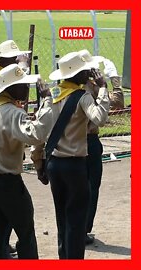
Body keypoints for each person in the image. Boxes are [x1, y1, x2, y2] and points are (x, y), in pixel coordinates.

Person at [33, 50, 109, 259]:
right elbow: (100, 118)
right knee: (76, 220)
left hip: (54, 164)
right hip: (75, 165)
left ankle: (63, 257)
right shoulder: (82, 97)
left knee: (62, 218)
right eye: (86, 71)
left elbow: (40, 130)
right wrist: (102, 89)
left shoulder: (52, 96)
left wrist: (38, 161)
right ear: (79, 75)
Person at [0, 64, 53, 259]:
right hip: (7, 182)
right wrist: (46, 102)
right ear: (9, 89)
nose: (27, 89)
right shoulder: (13, 112)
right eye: (22, 85)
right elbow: (37, 134)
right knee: (25, 231)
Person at [84, 58, 124, 245]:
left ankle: (74, 229)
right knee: (91, 188)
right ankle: (83, 229)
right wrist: (112, 80)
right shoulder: (92, 88)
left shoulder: (64, 89)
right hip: (89, 142)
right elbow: (118, 102)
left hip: (68, 144)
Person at [0, 40, 30, 112]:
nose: (16, 61)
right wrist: (24, 65)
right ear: (1, 62)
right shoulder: (1, 80)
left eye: (16, 57)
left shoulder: (1, 76)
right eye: (12, 58)